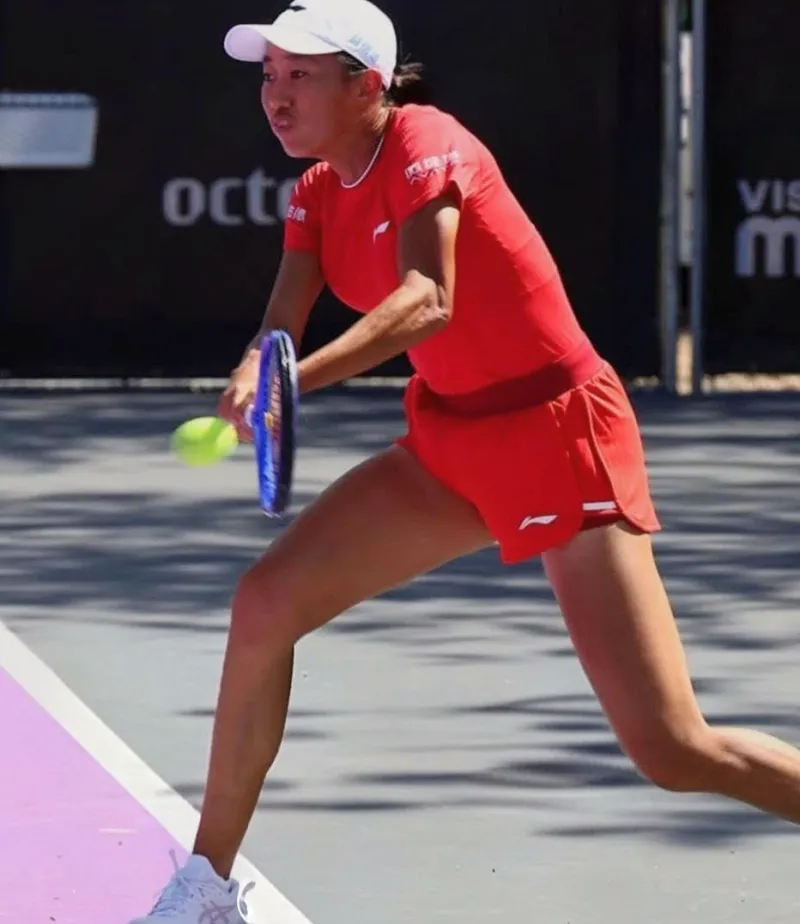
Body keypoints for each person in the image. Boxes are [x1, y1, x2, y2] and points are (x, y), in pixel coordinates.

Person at [132, 0, 800, 920]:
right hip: (451, 443)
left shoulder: (427, 142)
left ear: (367, 86)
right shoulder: (317, 190)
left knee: (673, 748)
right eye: (269, 76)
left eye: (300, 77)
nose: (276, 98)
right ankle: (208, 888)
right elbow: (280, 327)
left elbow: (428, 299)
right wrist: (259, 368)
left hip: (559, 436)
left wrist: (293, 382)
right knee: (264, 604)